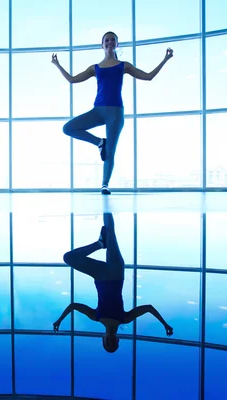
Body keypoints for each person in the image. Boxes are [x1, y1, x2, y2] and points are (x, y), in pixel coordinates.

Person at [51, 31, 174, 195]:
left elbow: (148, 76)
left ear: (117, 44)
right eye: (106, 40)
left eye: (112, 40)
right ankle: (99, 143)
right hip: (98, 110)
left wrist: (165, 59)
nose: (109, 43)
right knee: (68, 128)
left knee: (111, 152)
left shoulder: (124, 65)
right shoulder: (94, 68)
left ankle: (104, 184)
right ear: (102, 45)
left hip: (116, 113)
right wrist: (57, 64)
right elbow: (72, 79)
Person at [53, 212, 173, 353]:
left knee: (68, 258)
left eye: (107, 343)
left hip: (99, 275)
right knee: (110, 231)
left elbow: (73, 306)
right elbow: (148, 308)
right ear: (118, 340)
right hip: (115, 273)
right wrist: (165, 324)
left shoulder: (96, 316)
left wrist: (59, 320)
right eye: (112, 344)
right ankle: (106, 201)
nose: (110, 341)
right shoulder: (125, 318)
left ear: (103, 338)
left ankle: (99, 244)